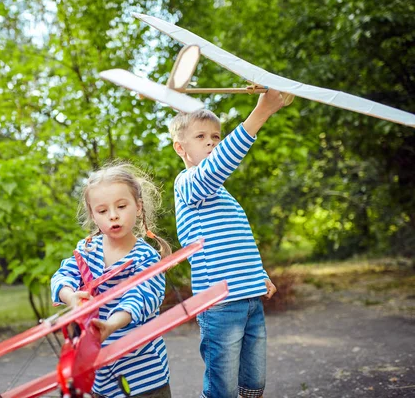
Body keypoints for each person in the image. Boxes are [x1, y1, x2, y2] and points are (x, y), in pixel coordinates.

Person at [169, 90, 285, 398]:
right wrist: (259, 114)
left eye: (216, 136)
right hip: (219, 305)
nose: (211, 142)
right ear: (180, 148)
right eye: (201, 136)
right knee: (224, 389)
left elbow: (237, 242)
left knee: (254, 383)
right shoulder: (189, 184)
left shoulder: (223, 196)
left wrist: (258, 274)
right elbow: (214, 169)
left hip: (250, 299)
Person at [51, 163, 173, 398]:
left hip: (143, 375)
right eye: (103, 211)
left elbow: (140, 297)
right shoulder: (87, 250)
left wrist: (111, 325)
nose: (113, 215)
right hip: (101, 376)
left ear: (138, 207)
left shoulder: (145, 257)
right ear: (93, 215)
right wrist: (71, 296)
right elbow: (62, 275)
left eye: (121, 206)